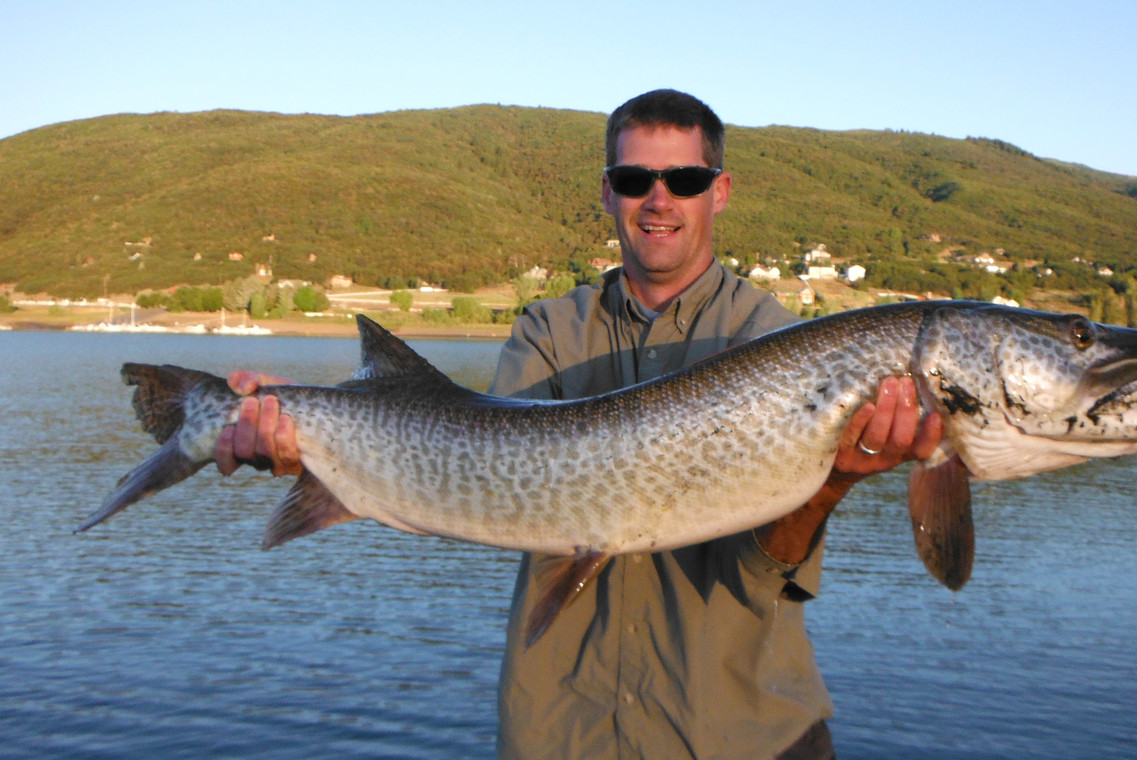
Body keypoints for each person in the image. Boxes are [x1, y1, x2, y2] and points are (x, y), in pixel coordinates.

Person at [217, 89, 942, 760]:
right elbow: (476, 466)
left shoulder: (777, 343)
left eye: (684, 181)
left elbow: (768, 570)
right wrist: (306, 436)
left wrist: (832, 482)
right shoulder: (547, 331)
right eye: (634, 180)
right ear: (607, 192)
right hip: (563, 732)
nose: (658, 201)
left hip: (744, 735)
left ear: (718, 192)